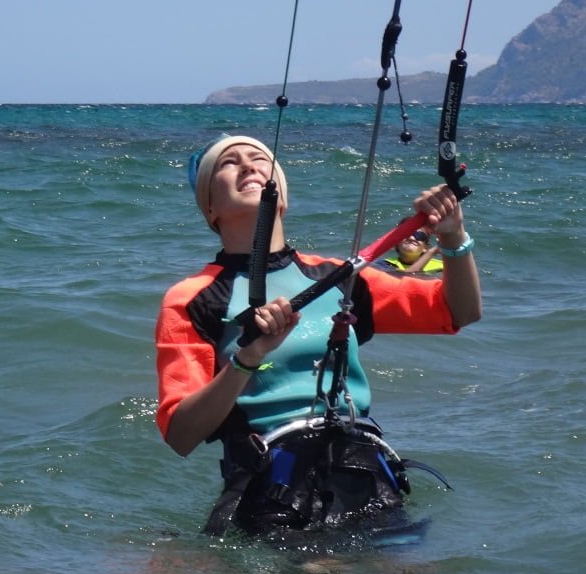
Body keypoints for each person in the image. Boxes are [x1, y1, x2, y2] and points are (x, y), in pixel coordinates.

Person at [154, 135, 481, 536]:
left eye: (259, 158)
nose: (248, 166)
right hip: (273, 484)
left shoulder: (336, 278)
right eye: (228, 163)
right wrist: (247, 357)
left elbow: (458, 312)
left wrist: (452, 236)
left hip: (361, 470)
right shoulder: (191, 299)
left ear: (284, 196)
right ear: (209, 207)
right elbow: (182, 434)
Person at [379, 226, 444, 273]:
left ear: (425, 247)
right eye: (406, 233)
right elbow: (407, 276)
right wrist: (432, 251)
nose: (411, 238)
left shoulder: (442, 266)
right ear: (396, 244)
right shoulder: (385, 264)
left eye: (419, 235)